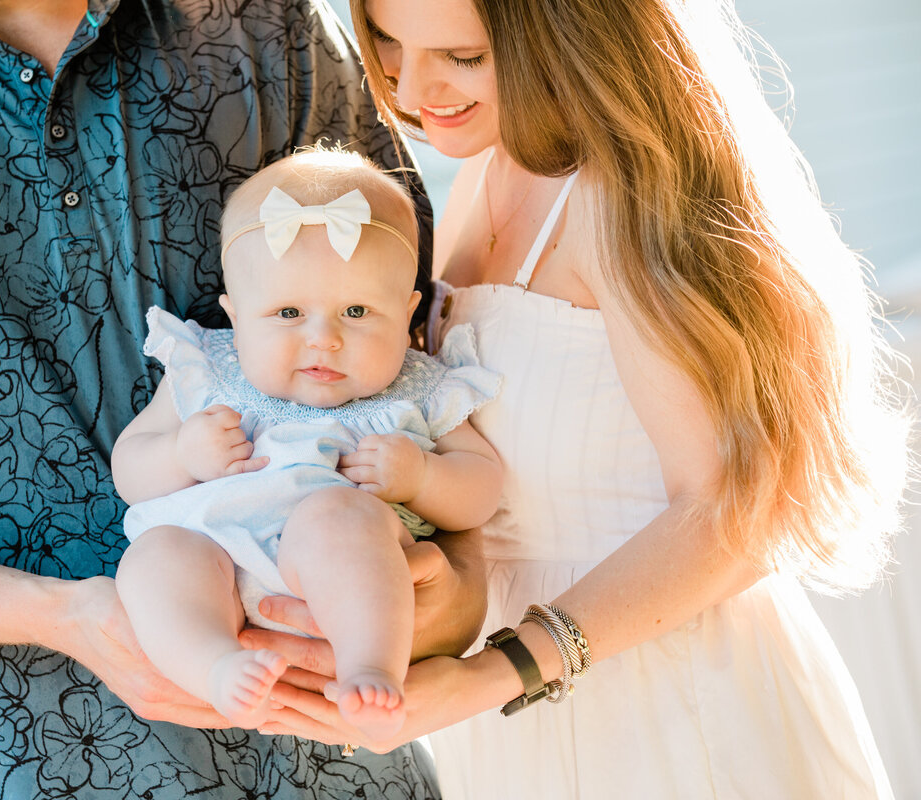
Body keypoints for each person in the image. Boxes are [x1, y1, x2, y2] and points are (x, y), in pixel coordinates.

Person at [0, 1, 490, 797]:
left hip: (346, 770)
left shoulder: (269, 29)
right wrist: (63, 616)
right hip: (25, 772)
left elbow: (414, 350)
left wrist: (459, 588)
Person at [244, 0, 912, 796]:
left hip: (666, 700)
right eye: (389, 41)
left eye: (460, 55)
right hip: (506, 717)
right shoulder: (483, 181)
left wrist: (498, 671)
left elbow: (738, 511)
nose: (414, 87)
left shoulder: (622, 195)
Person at [112, 149, 503, 739]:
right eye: (288, 312)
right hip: (212, 554)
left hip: (343, 576)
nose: (324, 339)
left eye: (356, 311)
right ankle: (217, 666)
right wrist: (180, 455)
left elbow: (482, 489)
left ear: (406, 314)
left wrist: (423, 476)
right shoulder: (206, 369)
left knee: (337, 514)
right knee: (155, 556)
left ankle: (370, 670)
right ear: (235, 317)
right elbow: (130, 467)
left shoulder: (421, 386)